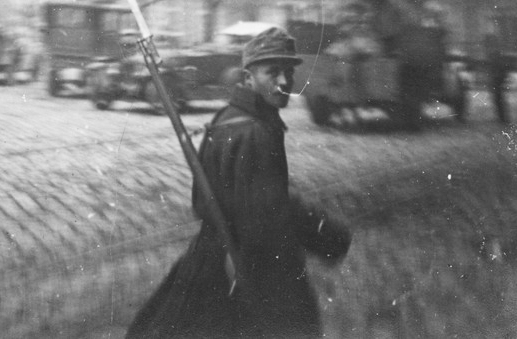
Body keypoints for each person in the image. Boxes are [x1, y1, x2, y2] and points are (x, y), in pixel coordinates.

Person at [126, 26, 351, 339]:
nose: (284, 82)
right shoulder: (255, 131)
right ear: (247, 77)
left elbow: (204, 202)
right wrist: (330, 235)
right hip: (250, 261)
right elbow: (271, 212)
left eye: (288, 72)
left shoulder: (225, 117)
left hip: (211, 255)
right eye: (273, 73)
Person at [483, 25, 512, 125]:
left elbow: (497, 66)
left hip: (497, 77)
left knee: (498, 99)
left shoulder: (494, 53)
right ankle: (502, 118)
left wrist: (497, 76)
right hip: (498, 77)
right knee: (498, 99)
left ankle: (503, 119)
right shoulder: (496, 52)